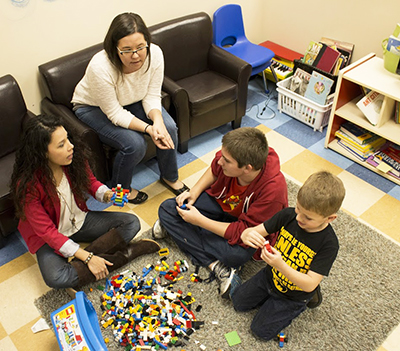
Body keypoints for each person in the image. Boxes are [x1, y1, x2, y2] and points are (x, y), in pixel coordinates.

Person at [10, 115, 160, 291]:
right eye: (61, 144)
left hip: (79, 221)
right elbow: (47, 232)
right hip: (49, 236)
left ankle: (80, 266)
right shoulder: (28, 185)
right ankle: (128, 253)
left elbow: (91, 183)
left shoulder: (73, 159)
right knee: (56, 278)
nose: (70, 146)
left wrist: (108, 195)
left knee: (131, 223)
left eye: (67, 139)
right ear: (42, 153)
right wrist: (88, 258)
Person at [154, 127, 288, 297]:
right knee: (167, 208)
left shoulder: (273, 191)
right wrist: (194, 191)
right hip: (221, 202)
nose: (220, 162)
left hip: (247, 227)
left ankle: (190, 240)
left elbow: (245, 232)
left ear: (247, 168)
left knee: (235, 256)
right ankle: (215, 263)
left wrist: (200, 221)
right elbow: (214, 168)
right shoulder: (235, 152)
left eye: (226, 161)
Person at [71, 12, 188, 204]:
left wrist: (157, 122)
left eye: (140, 47)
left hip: (133, 100)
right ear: (114, 48)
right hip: (93, 107)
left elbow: (152, 95)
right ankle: (121, 190)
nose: (136, 55)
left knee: (169, 127)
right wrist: (149, 129)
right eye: (127, 50)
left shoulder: (155, 54)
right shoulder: (100, 67)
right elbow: (115, 113)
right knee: (135, 145)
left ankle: (169, 176)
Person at [231, 171, 346, 341]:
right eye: (298, 208)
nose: (298, 217)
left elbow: (308, 284)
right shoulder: (289, 215)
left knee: (260, 332)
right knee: (237, 302)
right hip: (269, 277)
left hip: (294, 295)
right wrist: (247, 234)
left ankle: (308, 302)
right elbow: (256, 231)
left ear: (330, 218)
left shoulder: (329, 244)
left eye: (308, 217)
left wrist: (280, 265)